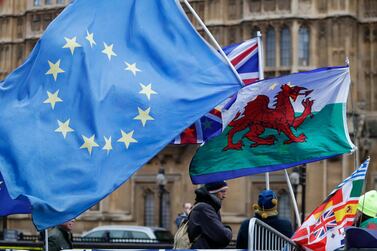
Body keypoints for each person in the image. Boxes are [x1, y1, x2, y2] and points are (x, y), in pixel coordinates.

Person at [187, 180, 232, 249]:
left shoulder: (209, 207)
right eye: (222, 191)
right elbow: (223, 236)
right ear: (214, 192)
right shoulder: (204, 209)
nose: (225, 196)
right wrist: (228, 229)